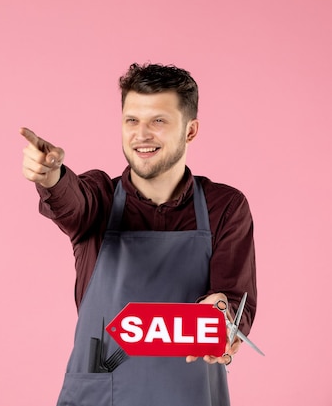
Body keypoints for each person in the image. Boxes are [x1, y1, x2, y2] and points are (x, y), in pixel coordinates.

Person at [19, 63, 257, 406]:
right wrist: (51, 176)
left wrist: (223, 317)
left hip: (190, 396)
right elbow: (71, 201)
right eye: (132, 120)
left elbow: (234, 302)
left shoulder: (225, 207)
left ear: (190, 131)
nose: (141, 134)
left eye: (158, 121)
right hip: (100, 397)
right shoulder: (98, 199)